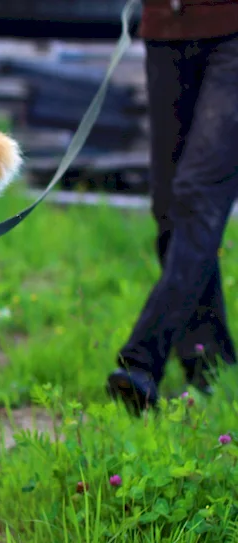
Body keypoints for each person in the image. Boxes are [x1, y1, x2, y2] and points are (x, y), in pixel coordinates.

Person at [106, 0, 238, 413]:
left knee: (198, 194)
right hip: (166, 29)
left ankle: (142, 360)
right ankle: (212, 366)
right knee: (167, 208)